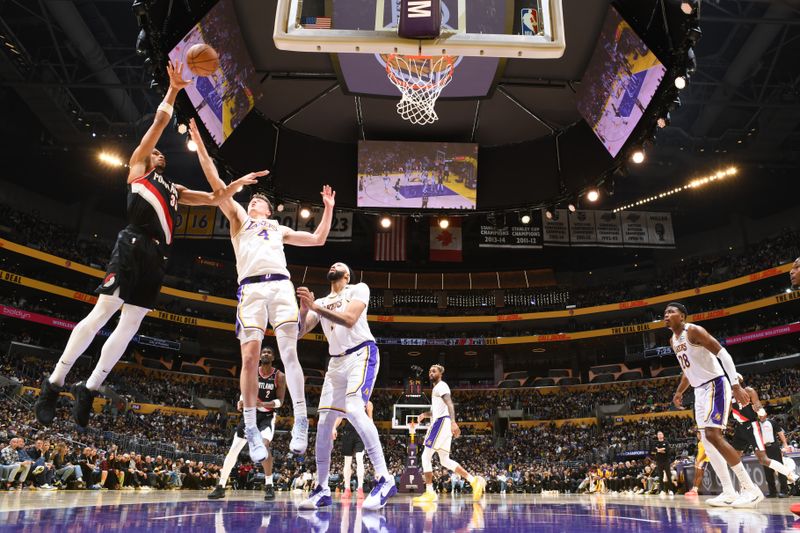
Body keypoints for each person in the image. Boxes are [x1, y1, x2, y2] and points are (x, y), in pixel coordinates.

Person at [34, 61, 258, 428]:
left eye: (161, 154)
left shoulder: (176, 190)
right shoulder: (138, 168)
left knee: (131, 324)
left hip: (157, 255)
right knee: (102, 312)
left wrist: (237, 186)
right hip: (132, 243)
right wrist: (173, 89)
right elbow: (157, 126)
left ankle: (89, 387)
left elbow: (215, 197)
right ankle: (54, 383)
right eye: (157, 153)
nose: (161, 154)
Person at [188, 118, 335, 459]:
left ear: (269, 209)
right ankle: (252, 430)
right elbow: (215, 182)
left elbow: (318, 239)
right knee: (250, 358)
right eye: (251, 199)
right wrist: (202, 146)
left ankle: (300, 420)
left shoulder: (277, 228)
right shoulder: (239, 218)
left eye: (258, 200)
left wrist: (327, 210)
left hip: (281, 287)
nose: (253, 201)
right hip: (251, 291)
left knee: (288, 354)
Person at [296, 262, 396, 511]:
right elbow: (299, 331)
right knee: (323, 424)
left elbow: (350, 319)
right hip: (336, 363)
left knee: (353, 407)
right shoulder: (320, 300)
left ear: (347, 274)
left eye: (339, 265)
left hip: (361, 354)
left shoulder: (358, 289)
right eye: (331, 264)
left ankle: (385, 479)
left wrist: (315, 306)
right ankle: (322, 489)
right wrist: (303, 310)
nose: (333, 265)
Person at [666, 302, 762, 507]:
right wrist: (679, 392)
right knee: (706, 442)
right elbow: (687, 369)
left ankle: (751, 489)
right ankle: (729, 492)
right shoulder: (673, 340)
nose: (666, 315)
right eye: (665, 312)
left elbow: (722, 353)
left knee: (713, 435)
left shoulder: (694, 331)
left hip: (715, 384)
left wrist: (735, 385)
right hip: (699, 390)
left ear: (682, 316)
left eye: (671, 312)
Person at [208, 347, 286, 501]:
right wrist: (240, 400)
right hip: (250, 415)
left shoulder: (280, 376)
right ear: (259, 355)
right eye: (263, 352)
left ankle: (269, 486)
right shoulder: (252, 371)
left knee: (264, 447)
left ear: (273, 357)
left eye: (269, 353)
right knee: (233, 450)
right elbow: (245, 389)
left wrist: (262, 403)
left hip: (267, 416)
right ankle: (221, 486)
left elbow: (280, 402)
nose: (265, 354)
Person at [412, 364, 486, 503]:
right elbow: (437, 411)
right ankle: (473, 481)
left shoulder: (441, 386)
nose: (430, 373)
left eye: (434, 371)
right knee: (445, 460)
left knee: (425, 456)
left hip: (441, 423)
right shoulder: (436, 389)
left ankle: (430, 492)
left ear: (440, 373)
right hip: (442, 423)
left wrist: (453, 422)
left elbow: (450, 404)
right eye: (429, 371)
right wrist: (425, 414)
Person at [729, 374, 797, 490]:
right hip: (740, 428)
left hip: (752, 426)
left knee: (763, 459)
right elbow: (731, 411)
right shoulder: (729, 395)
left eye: (734, 380)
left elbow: (759, 407)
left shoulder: (748, 391)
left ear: (739, 381)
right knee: (733, 459)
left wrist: (760, 411)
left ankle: (791, 475)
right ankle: (745, 488)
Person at [334, 400, 374, 500]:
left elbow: (370, 423)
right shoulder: (347, 400)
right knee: (347, 462)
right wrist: (334, 427)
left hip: (360, 432)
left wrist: (370, 412)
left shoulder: (366, 401)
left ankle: (360, 488)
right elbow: (339, 417)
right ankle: (347, 489)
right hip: (348, 432)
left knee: (360, 459)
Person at [759, 413, 794, 498]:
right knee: (767, 471)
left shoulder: (772, 422)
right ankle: (772, 492)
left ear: (766, 414)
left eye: (762, 414)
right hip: (763, 448)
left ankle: (784, 491)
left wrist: (785, 444)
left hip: (773, 447)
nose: (760, 416)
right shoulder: (756, 424)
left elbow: (780, 433)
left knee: (780, 468)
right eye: (759, 415)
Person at [685, 430, 710, 497]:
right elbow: (699, 452)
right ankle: (693, 489)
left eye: (700, 434)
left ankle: (695, 489)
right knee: (696, 475)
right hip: (698, 460)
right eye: (698, 434)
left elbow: (706, 453)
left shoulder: (706, 442)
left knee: (699, 475)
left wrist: (699, 460)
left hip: (704, 460)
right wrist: (696, 459)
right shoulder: (699, 443)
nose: (699, 436)